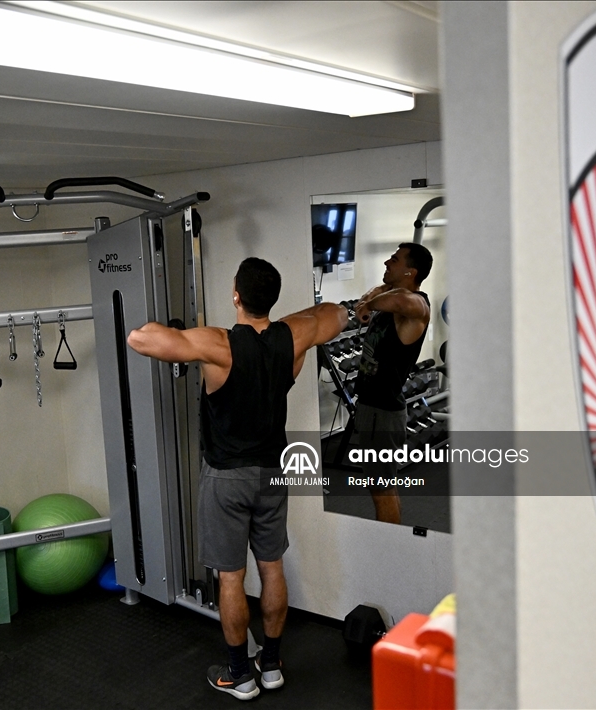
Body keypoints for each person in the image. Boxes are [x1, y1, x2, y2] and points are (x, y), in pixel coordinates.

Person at [127, 257, 349, 700]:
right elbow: (335, 315)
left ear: (236, 296)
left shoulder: (218, 343)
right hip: (272, 473)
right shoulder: (293, 337)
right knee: (272, 567)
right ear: (271, 298)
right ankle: (272, 665)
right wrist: (290, 320)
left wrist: (177, 330)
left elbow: (141, 338)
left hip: (227, 477)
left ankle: (239, 675)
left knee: (231, 578)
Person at [352, 243, 433, 524]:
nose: (387, 262)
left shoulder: (417, 306)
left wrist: (367, 304)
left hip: (382, 413)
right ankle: (394, 539)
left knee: (381, 491)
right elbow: (382, 292)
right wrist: (368, 300)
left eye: (395, 260)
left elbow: (401, 301)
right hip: (373, 409)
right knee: (384, 485)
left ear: (411, 272)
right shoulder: (389, 295)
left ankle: (388, 543)